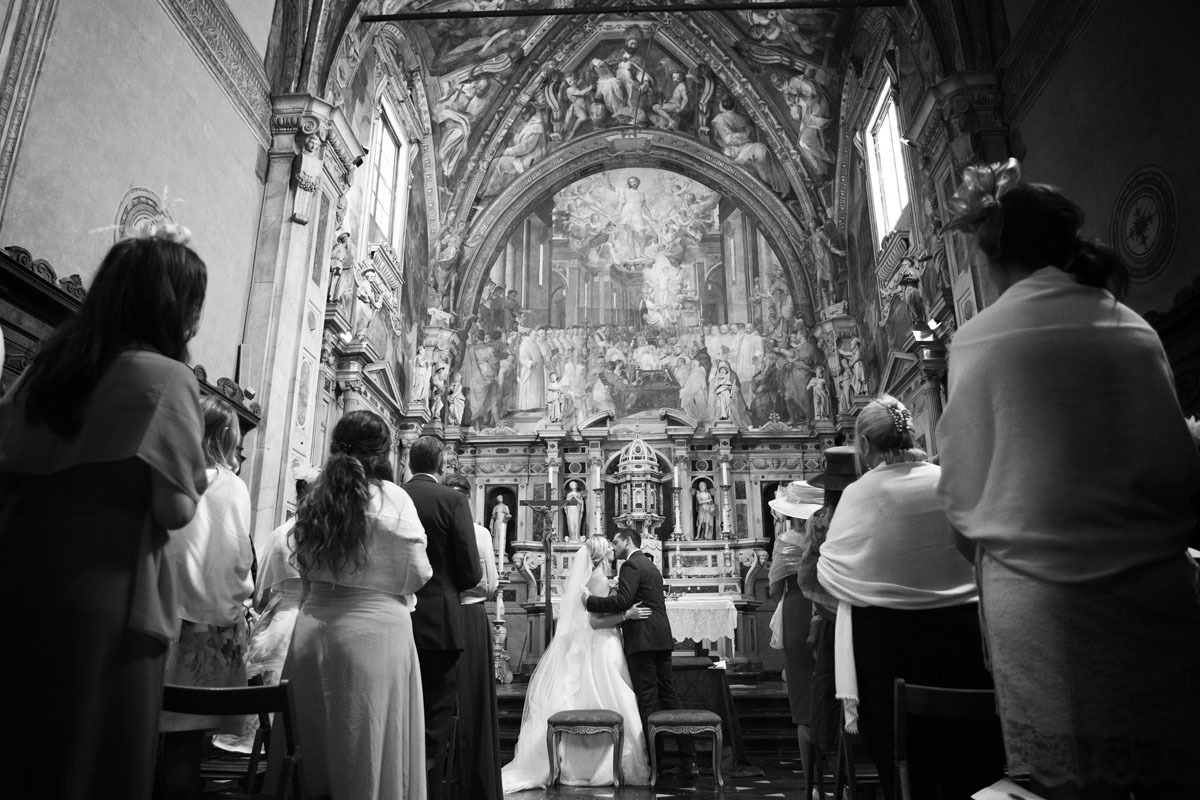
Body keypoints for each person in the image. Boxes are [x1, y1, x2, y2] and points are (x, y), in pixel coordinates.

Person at [935, 159, 1200, 799]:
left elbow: (961, 499)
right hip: (1156, 591)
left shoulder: (979, 339)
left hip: (1039, 603)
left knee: (1068, 782)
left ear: (990, 254)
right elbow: (1181, 473)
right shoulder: (1133, 328)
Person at [0, 229, 208, 800]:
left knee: (23, 750)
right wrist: (201, 481)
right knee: (94, 757)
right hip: (108, 590)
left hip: (20, 569)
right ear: (173, 308)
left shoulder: (48, 366)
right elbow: (174, 509)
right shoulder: (165, 378)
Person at [818, 396, 1003, 800]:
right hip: (966, 636)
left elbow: (831, 571)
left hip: (888, 647)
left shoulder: (861, 493)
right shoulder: (947, 480)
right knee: (972, 757)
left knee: (904, 760)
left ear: (864, 445)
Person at [285, 410, 432, 800]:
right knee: (366, 747)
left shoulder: (315, 497)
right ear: (383, 453)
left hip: (312, 630)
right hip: (375, 635)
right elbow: (417, 571)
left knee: (314, 743)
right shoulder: (393, 498)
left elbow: (303, 567)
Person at [157, 396, 253, 800]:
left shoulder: (170, 472)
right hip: (209, 629)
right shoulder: (232, 488)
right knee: (187, 739)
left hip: (160, 617)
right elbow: (238, 556)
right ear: (229, 438)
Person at [504, 535, 653, 791]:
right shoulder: (599, 579)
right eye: (609, 546)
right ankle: (598, 765)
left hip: (602, 645)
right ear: (602, 554)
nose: (612, 549)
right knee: (613, 698)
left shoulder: (598, 577)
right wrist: (626, 615)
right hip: (602, 647)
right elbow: (595, 622)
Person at [404, 435, 483, 800]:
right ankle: (429, 790)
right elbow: (470, 572)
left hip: (397, 622)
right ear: (441, 466)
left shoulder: (395, 495)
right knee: (435, 719)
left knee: (401, 712)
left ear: (408, 462)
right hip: (440, 623)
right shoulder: (453, 500)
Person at [585, 529, 697, 777]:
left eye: (616, 541)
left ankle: (655, 760)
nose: (613, 547)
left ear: (627, 540)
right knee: (669, 696)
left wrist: (589, 602)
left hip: (643, 641)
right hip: (659, 637)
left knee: (648, 700)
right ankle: (688, 759)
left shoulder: (631, 565)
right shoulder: (649, 563)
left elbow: (623, 601)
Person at [797, 446, 856, 788]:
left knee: (833, 694)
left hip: (835, 623)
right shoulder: (871, 510)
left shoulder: (820, 520)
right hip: (881, 615)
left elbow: (807, 577)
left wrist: (835, 606)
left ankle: (840, 776)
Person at [444, 473, 502, 800]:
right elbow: (490, 584)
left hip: (441, 614)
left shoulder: (433, 526)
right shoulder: (479, 533)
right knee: (473, 698)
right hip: (470, 614)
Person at [767, 480, 825, 794]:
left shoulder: (787, 540)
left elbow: (774, 588)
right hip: (832, 608)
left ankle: (811, 783)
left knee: (803, 697)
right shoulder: (833, 531)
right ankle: (845, 768)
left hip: (798, 609)